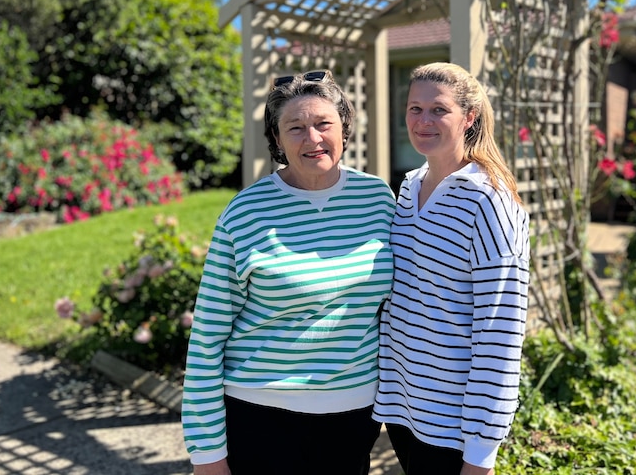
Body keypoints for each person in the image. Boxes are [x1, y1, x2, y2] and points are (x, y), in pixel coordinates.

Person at [181, 69, 396, 475]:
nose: (312, 138)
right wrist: (206, 454)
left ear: (344, 129)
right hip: (260, 415)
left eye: (323, 124)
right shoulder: (245, 213)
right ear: (277, 140)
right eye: (295, 128)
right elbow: (207, 337)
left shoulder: (378, 198)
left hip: (354, 415)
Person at [373, 62, 531, 475]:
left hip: (454, 428)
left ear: (469, 117)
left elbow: (501, 333)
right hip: (403, 411)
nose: (423, 121)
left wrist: (481, 453)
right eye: (414, 109)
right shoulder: (407, 188)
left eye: (438, 110)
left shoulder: (490, 204)